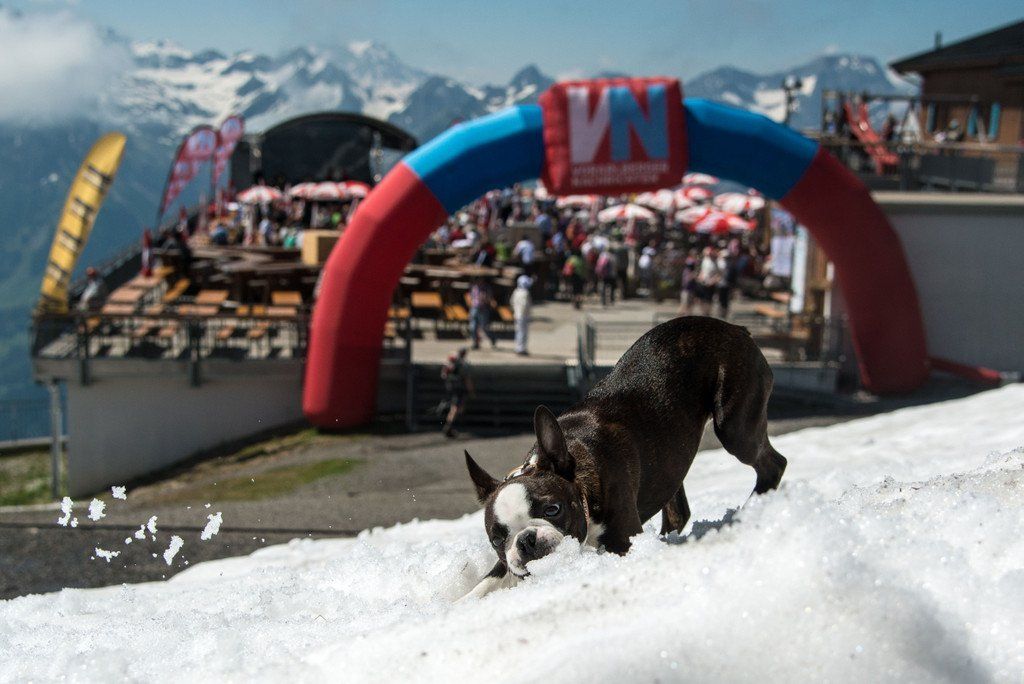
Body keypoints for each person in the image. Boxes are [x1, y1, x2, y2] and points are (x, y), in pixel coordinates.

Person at [440, 348, 473, 437]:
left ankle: (450, 426)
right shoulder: (463, 364)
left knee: (455, 408)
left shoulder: (450, 362)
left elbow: (443, 375)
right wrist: (471, 391)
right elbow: (467, 379)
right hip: (459, 389)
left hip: (450, 388)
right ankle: (448, 427)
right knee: (455, 408)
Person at [468, 278, 497, 349]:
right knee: (473, 327)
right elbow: (470, 297)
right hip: (474, 308)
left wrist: (486, 298)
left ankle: (492, 338)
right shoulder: (473, 287)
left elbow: (490, 298)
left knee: (484, 327)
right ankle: (475, 343)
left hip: (483, 309)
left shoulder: (486, 288)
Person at [511, 275, 532, 356]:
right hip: (523, 316)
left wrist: (515, 311)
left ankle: (519, 347)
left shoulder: (516, 291)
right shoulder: (525, 293)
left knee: (518, 332)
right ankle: (521, 349)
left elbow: (512, 302)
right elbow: (525, 305)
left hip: (517, 315)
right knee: (523, 332)